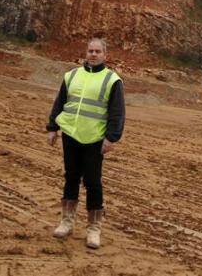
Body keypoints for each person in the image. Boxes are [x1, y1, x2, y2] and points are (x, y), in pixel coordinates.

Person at [46, 38, 125, 249]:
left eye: (98, 51)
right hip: (71, 134)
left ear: (105, 55)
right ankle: (67, 222)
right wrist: (53, 127)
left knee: (92, 182)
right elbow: (60, 101)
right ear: (85, 53)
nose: (93, 54)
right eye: (90, 50)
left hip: (94, 139)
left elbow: (117, 113)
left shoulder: (112, 80)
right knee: (71, 177)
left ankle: (93, 229)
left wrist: (111, 137)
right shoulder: (71, 75)